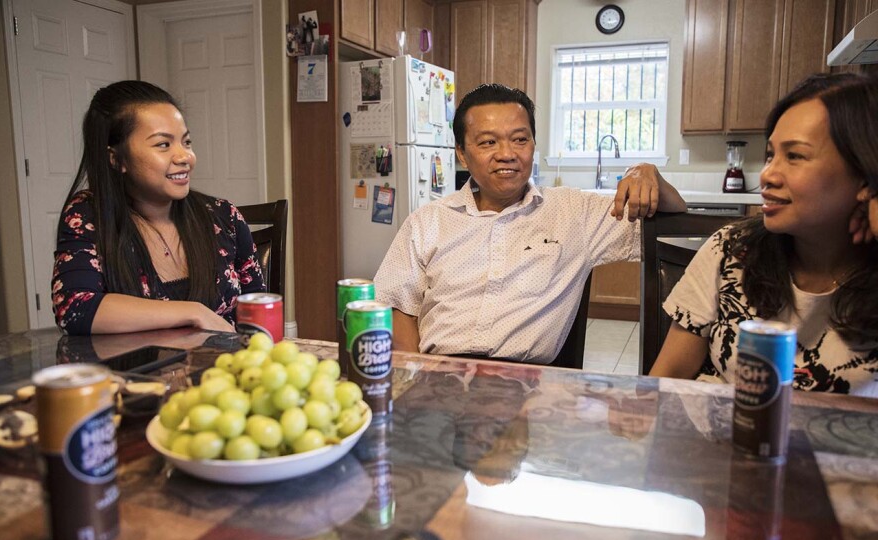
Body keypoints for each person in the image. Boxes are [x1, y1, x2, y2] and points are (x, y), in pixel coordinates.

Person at [374, 83, 686, 364]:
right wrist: (416, 379)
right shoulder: (426, 221)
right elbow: (396, 305)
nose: (506, 154)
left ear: (533, 145)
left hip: (526, 386)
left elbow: (676, 225)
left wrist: (649, 174)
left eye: (519, 139)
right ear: (462, 155)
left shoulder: (574, 212)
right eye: (487, 143)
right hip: (439, 374)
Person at [650, 73, 878, 397]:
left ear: (866, 174)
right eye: (771, 155)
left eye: (795, 156)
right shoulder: (730, 251)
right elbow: (665, 381)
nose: (767, 174)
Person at [52, 80, 266, 335]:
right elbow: (75, 308)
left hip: (222, 372)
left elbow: (259, 313)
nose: (185, 157)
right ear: (116, 158)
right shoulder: (89, 215)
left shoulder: (223, 217)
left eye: (186, 142)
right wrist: (193, 312)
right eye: (163, 145)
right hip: (136, 374)